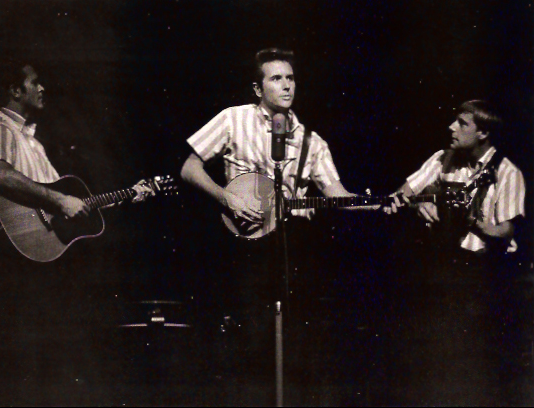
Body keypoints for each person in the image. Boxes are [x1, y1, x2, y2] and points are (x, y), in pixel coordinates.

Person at [180, 48, 373, 400]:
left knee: (298, 339)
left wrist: (373, 204)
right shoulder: (232, 119)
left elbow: (336, 194)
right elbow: (189, 168)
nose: (287, 86)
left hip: (294, 244)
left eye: (290, 78)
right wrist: (227, 198)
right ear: (257, 88)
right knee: (250, 336)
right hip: (244, 245)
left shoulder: (311, 141)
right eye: (276, 78)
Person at [0, 60, 151, 405]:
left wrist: (127, 195)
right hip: (11, 259)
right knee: (25, 362)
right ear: (15, 91)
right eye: (35, 83)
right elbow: (1, 177)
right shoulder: (0, 129)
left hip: (39, 262)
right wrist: (59, 199)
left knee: (49, 359)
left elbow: (73, 205)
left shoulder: (33, 143)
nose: (42, 88)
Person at [384, 100, 528, 405]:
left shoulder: (506, 172)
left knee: (478, 367)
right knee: (436, 362)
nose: (452, 127)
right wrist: (417, 203)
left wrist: (472, 220)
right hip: (445, 272)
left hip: (486, 275)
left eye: (462, 123)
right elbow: (402, 194)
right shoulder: (443, 159)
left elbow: (505, 232)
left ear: (483, 132)